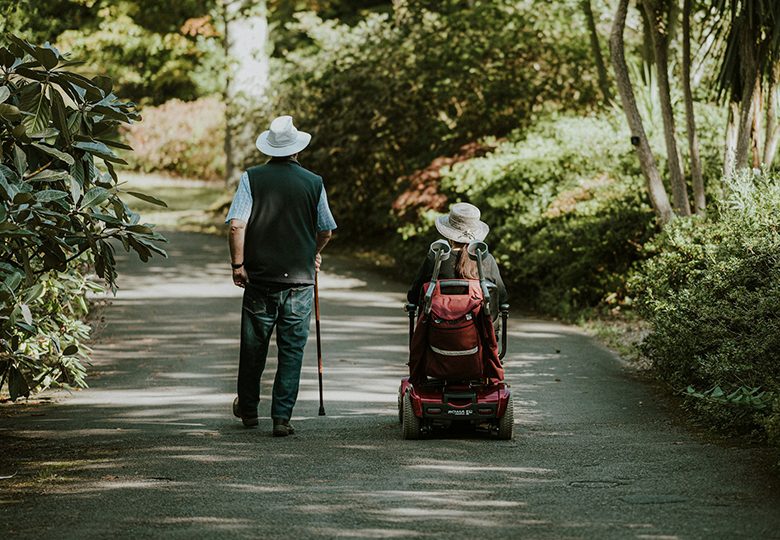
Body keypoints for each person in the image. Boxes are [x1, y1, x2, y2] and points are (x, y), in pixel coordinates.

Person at [226, 115, 336, 437]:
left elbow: (236, 224)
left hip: (260, 280)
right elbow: (326, 229)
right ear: (297, 150)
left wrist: (238, 265)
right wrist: (310, 252)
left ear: (270, 149)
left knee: (253, 348)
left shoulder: (252, 178)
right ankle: (281, 418)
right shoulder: (314, 182)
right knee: (292, 351)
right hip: (300, 283)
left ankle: (248, 410)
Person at [407, 202, 508, 309]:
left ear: (449, 235)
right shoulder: (486, 259)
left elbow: (414, 296)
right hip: (478, 324)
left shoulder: (436, 259)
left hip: (439, 324)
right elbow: (502, 298)